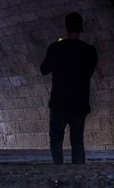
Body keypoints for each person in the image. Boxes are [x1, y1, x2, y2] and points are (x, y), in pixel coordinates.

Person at [40, 12, 98, 165]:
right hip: (79, 102)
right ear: (81, 28)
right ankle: (78, 177)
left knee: (56, 140)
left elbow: (44, 69)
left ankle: (58, 174)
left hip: (59, 101)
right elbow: (88, 73)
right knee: (77, 141)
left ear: (66, 27)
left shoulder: (56, 47)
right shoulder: (89, 51)